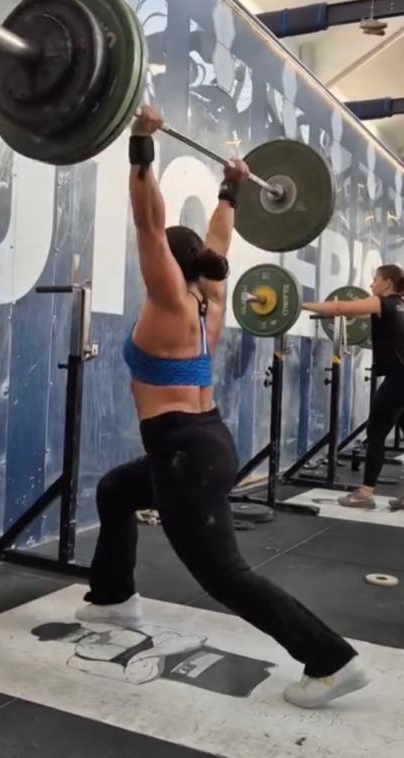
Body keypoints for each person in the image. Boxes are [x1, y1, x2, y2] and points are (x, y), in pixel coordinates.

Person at [76, 106, 370, 708]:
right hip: (202, 443)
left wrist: (140, 144)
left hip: (184, 455)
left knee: (223, 575)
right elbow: (218, 239)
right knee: (116, 490)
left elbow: (148, 222)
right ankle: (113, 597)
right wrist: (231, 188)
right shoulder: (208, 294)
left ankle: (330, 660)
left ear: (167, 266)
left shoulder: (167, 302)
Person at [304, 264, 404, 509]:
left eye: (375, 280)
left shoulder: (381, 302)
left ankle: (365, 493)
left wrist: (301, 305)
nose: (371, 284)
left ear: (387, 283)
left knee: (376, 433)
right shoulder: (399, 305)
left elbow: (341, 308)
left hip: (398, 379)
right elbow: (356, 314)